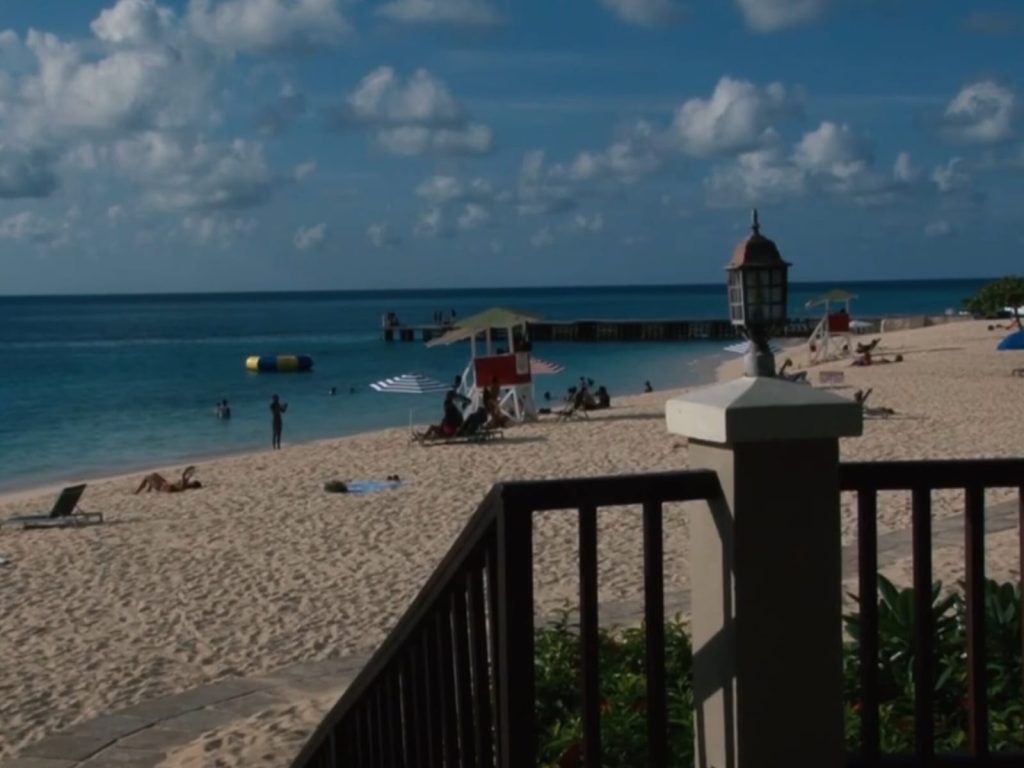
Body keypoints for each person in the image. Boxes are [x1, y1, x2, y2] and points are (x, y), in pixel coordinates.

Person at [135, 466, 202, 494]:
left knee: (147, 477)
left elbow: (183, 475)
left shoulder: (186, 485)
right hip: (167, 485)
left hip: (163, 488)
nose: (191, 481)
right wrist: (190, 474)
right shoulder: (186, 485)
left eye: (193, 482)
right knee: (154, 474)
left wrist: (187, 469)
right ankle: (149, 489)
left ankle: (138, 491)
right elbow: (186, 478)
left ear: (193, 484)